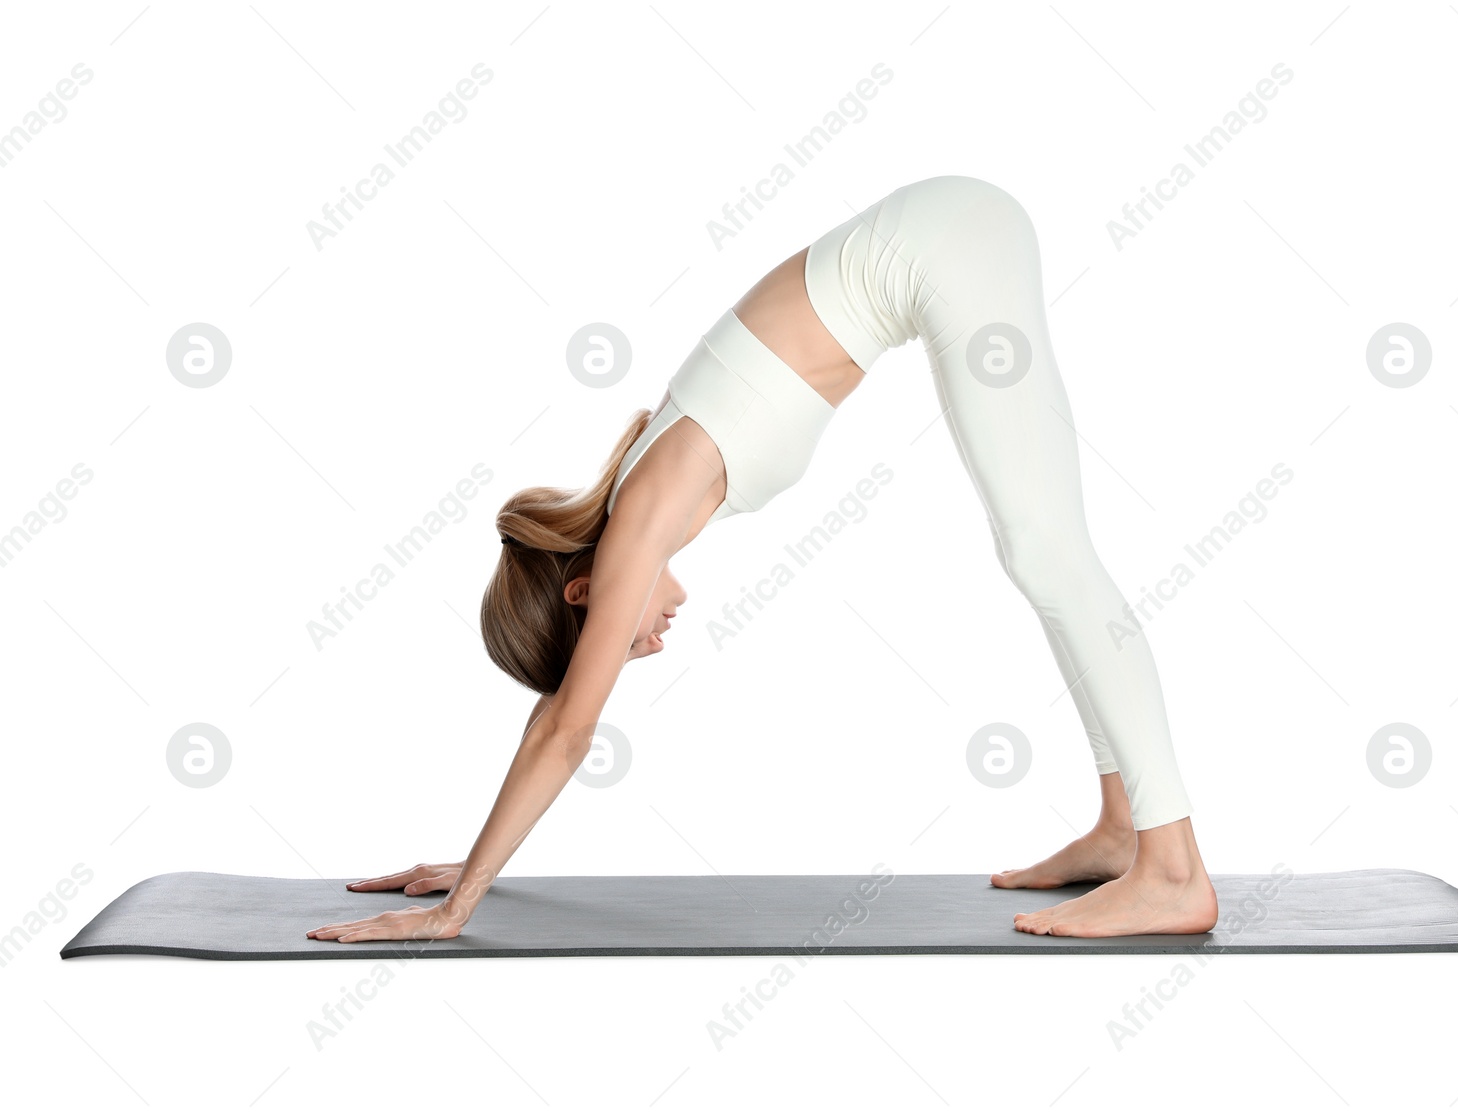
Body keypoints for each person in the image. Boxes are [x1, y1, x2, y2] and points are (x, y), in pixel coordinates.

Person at [307, 175, 1217, 945]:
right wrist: (481, 856)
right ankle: (1125, 825)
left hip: (951, 246)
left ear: (588, 590)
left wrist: (457, 911)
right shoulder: (639, 498)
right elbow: (560, 705)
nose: (648, 644)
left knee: (1046, 552)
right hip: (947, 240)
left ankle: (1173, 871)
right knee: (1040, 552)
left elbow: (567, 730)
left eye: (621, 641)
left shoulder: (640, 516)